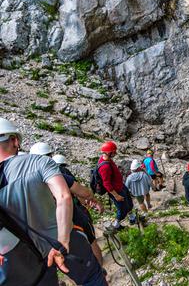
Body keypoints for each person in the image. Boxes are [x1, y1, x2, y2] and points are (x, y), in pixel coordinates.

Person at [0, 118, 107, 286]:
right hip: (60, 236)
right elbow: (64, 196)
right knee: (92, 278)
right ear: (14, 140)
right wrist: (62, 242)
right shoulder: (37, 162)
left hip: (23, 256)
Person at [52, 154, 105, 267]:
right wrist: (92, 201)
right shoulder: (59, 172)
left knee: (69, 249)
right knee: (91, 240)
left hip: (54, 223)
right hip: (74, 213)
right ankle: (100, 268)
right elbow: (81, 192)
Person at [98, 141, 133, 230]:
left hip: (120, 186)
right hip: (116, 190)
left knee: (129, 203)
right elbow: (106, 183)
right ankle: (116, 225)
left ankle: (132, 218)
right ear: (108, 152)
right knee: (122, 209)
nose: (115, 153)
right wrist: (116, 196)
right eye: (114, 152)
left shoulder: (107, 159)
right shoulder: (104, 167)